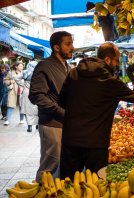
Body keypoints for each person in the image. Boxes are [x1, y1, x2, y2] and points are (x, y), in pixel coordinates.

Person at [58, 42, 134, 179]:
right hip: (95, 143)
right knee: (96, 184)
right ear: (107, 60)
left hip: (70, 139)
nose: (116, 65)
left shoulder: (73, 73)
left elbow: (61, 101)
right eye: (116, 61)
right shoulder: (109, 81)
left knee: (66, 184)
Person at [29, 31, 74, 182]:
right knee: (50, 166)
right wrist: (61, 112)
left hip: (66, 124)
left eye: (72, 43)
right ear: (56, 47)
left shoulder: (67, 67)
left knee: (62, 166)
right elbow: (36, 95)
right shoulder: (44, 65)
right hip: (52, 124)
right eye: (68, 44)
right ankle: (40, 191)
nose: (72, 47)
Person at [21, 61, 39, 132]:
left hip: (27, 92)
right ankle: (37, 125)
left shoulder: (25, 72)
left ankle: (29, 127)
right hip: (37, 92)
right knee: (37, 109)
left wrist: (22, 84)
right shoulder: (38, 73)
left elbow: (16, 77)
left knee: (28, 111)